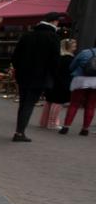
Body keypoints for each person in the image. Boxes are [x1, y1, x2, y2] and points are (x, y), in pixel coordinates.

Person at [10, 12, 63, 142]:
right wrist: (54, 75)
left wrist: (19, 69)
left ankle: (19, 131)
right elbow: (55, 60)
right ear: (54, 22)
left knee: (23, 103)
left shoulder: (28, 35)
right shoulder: (53, 37)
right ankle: (20, 132)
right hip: (41, 77)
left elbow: (15, 56)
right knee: (29, 103)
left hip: (23, 75)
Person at [60, 43, 96, 136]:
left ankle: (66, 127)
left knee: (74, 104)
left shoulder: (85, 52)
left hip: (80, 80)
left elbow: (72, 66)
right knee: (90, 106)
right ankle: (85, 129)